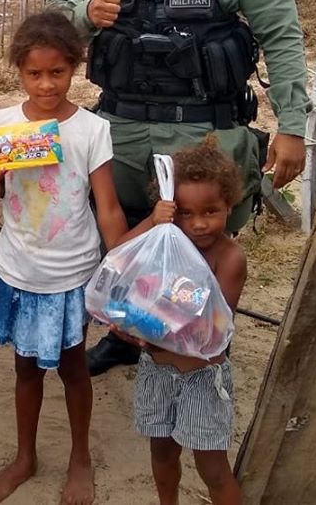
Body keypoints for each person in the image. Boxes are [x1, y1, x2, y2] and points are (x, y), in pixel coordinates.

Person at [48, 0, 308, 375]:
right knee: (122, 241)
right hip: (120, 125)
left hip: (203, 129)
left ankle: (198, 348)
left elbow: (282, 31)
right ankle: (125, 338)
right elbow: (55, 15)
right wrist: (84, 15)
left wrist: (293, 125)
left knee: (200, 247)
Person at [0, 10, 129, 505]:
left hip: (70, 275)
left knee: (74, 368)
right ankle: (25, 457)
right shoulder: (2, 125)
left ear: (75, 68)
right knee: (25, 369)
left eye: (57, 72)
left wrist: (122, 272)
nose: (45, 85)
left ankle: (80, 458)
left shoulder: (91, 130)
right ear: (18, 71)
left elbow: (108, 207)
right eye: (34, 74)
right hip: (17, 268)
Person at [107, 136, 247, 505]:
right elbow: (119, 256)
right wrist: (154, 223)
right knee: (162, 454)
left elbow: (210, 329)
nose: (199, 224)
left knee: (213, 468)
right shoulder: (164, 243)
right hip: (157, 371)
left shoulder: (229, 259)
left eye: (210, 211)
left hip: (202, 377)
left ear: (229, 206)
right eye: (185, 213)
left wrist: (141, 329)